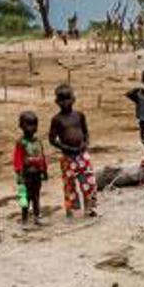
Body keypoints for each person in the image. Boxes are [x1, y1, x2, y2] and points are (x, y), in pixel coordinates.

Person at [49, 84, 97, 218]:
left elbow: (86, 132)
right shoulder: (57, 120)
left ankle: (90, 207)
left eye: (68, 99)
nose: (65, 102)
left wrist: (85, 144)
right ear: (57, 102)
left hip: (82, 155)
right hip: (68, 157)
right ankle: (72, 210)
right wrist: (67, 148)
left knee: (89, 181)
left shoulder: (79, 115)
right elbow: (52, 139)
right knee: (69, 185)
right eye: (62, 100)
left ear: (73, 99)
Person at [12, 111, 48, 225]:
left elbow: (42, 156)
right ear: (21, 126)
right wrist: (19, 173)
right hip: (25, 174)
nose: (32, 128)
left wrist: (44, 170)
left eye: (34, 125)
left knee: (36, 196)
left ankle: (37, 216)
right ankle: (24, 219)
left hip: (37, 174)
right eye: (28, 124)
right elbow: (17, 159)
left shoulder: (38, 141)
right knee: (25, 197)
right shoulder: (21, 142)